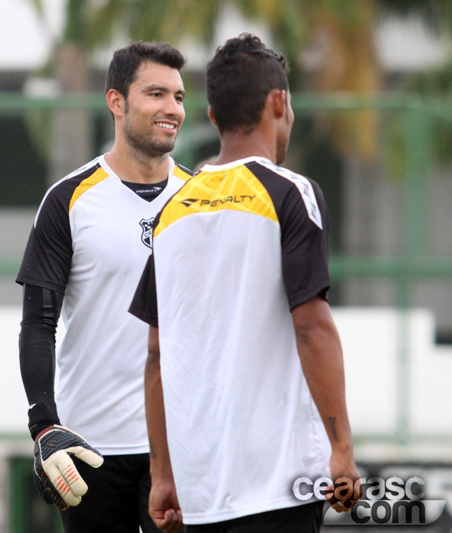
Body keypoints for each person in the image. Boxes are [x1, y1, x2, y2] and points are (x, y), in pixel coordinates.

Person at [130, 33, 360, 532]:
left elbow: (155, 354)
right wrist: (341, 449)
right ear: (279, 103)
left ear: (212, 116)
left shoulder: (170, 211)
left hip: (201, 492)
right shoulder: (291, 192)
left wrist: (162, 475)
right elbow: (312, 327)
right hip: (279, 485)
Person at [16, 41, 192, 533]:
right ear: (116, 102)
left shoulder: (200, 201)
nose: (171, 109)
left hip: (179, 445)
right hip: (90, 448)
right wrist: (45, 425)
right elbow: (38, 323)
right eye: (156, 93)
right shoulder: (69, 199)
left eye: (178, 97)